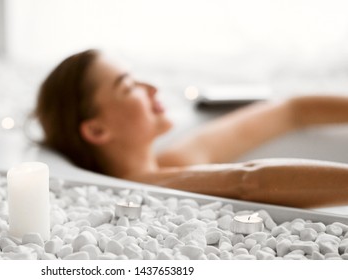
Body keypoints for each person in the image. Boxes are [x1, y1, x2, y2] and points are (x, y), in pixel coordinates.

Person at [34, 49, 348, 208]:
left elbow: (290, 111)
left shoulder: (175, 161)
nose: (152, 87)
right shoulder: (152, 184)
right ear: (97, 130)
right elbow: (248, 181)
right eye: (128, 86)